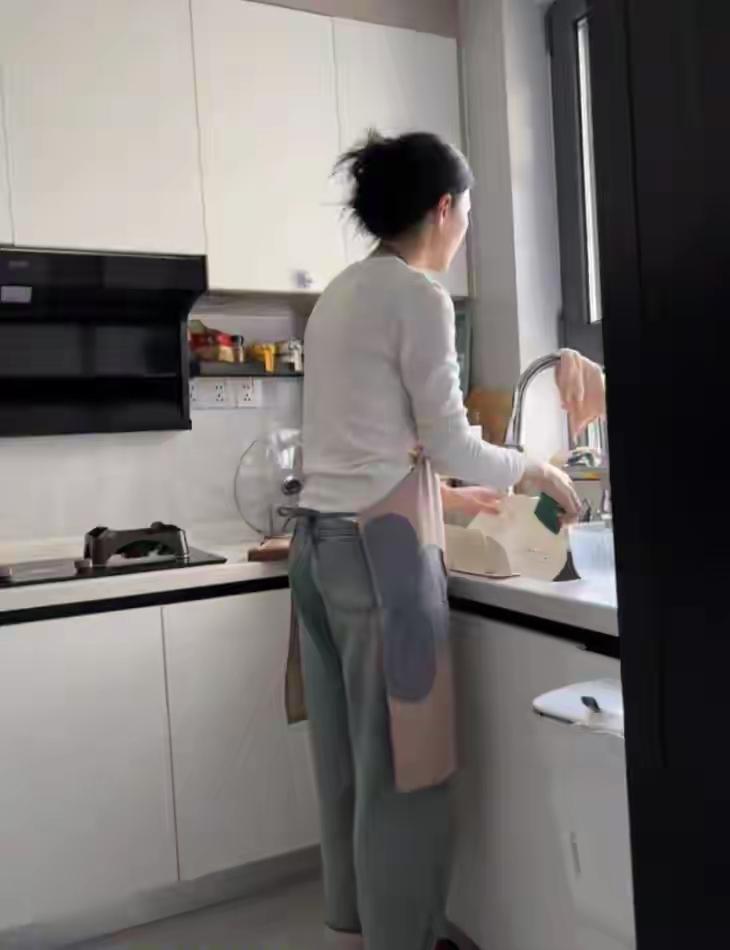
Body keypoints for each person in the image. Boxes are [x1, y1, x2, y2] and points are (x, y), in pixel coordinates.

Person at [289, 131, 580, 950]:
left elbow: (359, 445)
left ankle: (358, 926)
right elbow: (448, 438)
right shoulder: (419, 295)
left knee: (350, 761)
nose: (466, 229)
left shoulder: (340, 294)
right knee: (407, 768)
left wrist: (445, 496)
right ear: (444, 208)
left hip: (318, 550)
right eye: (469, 212)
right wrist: (534, 469)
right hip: (379, 557)